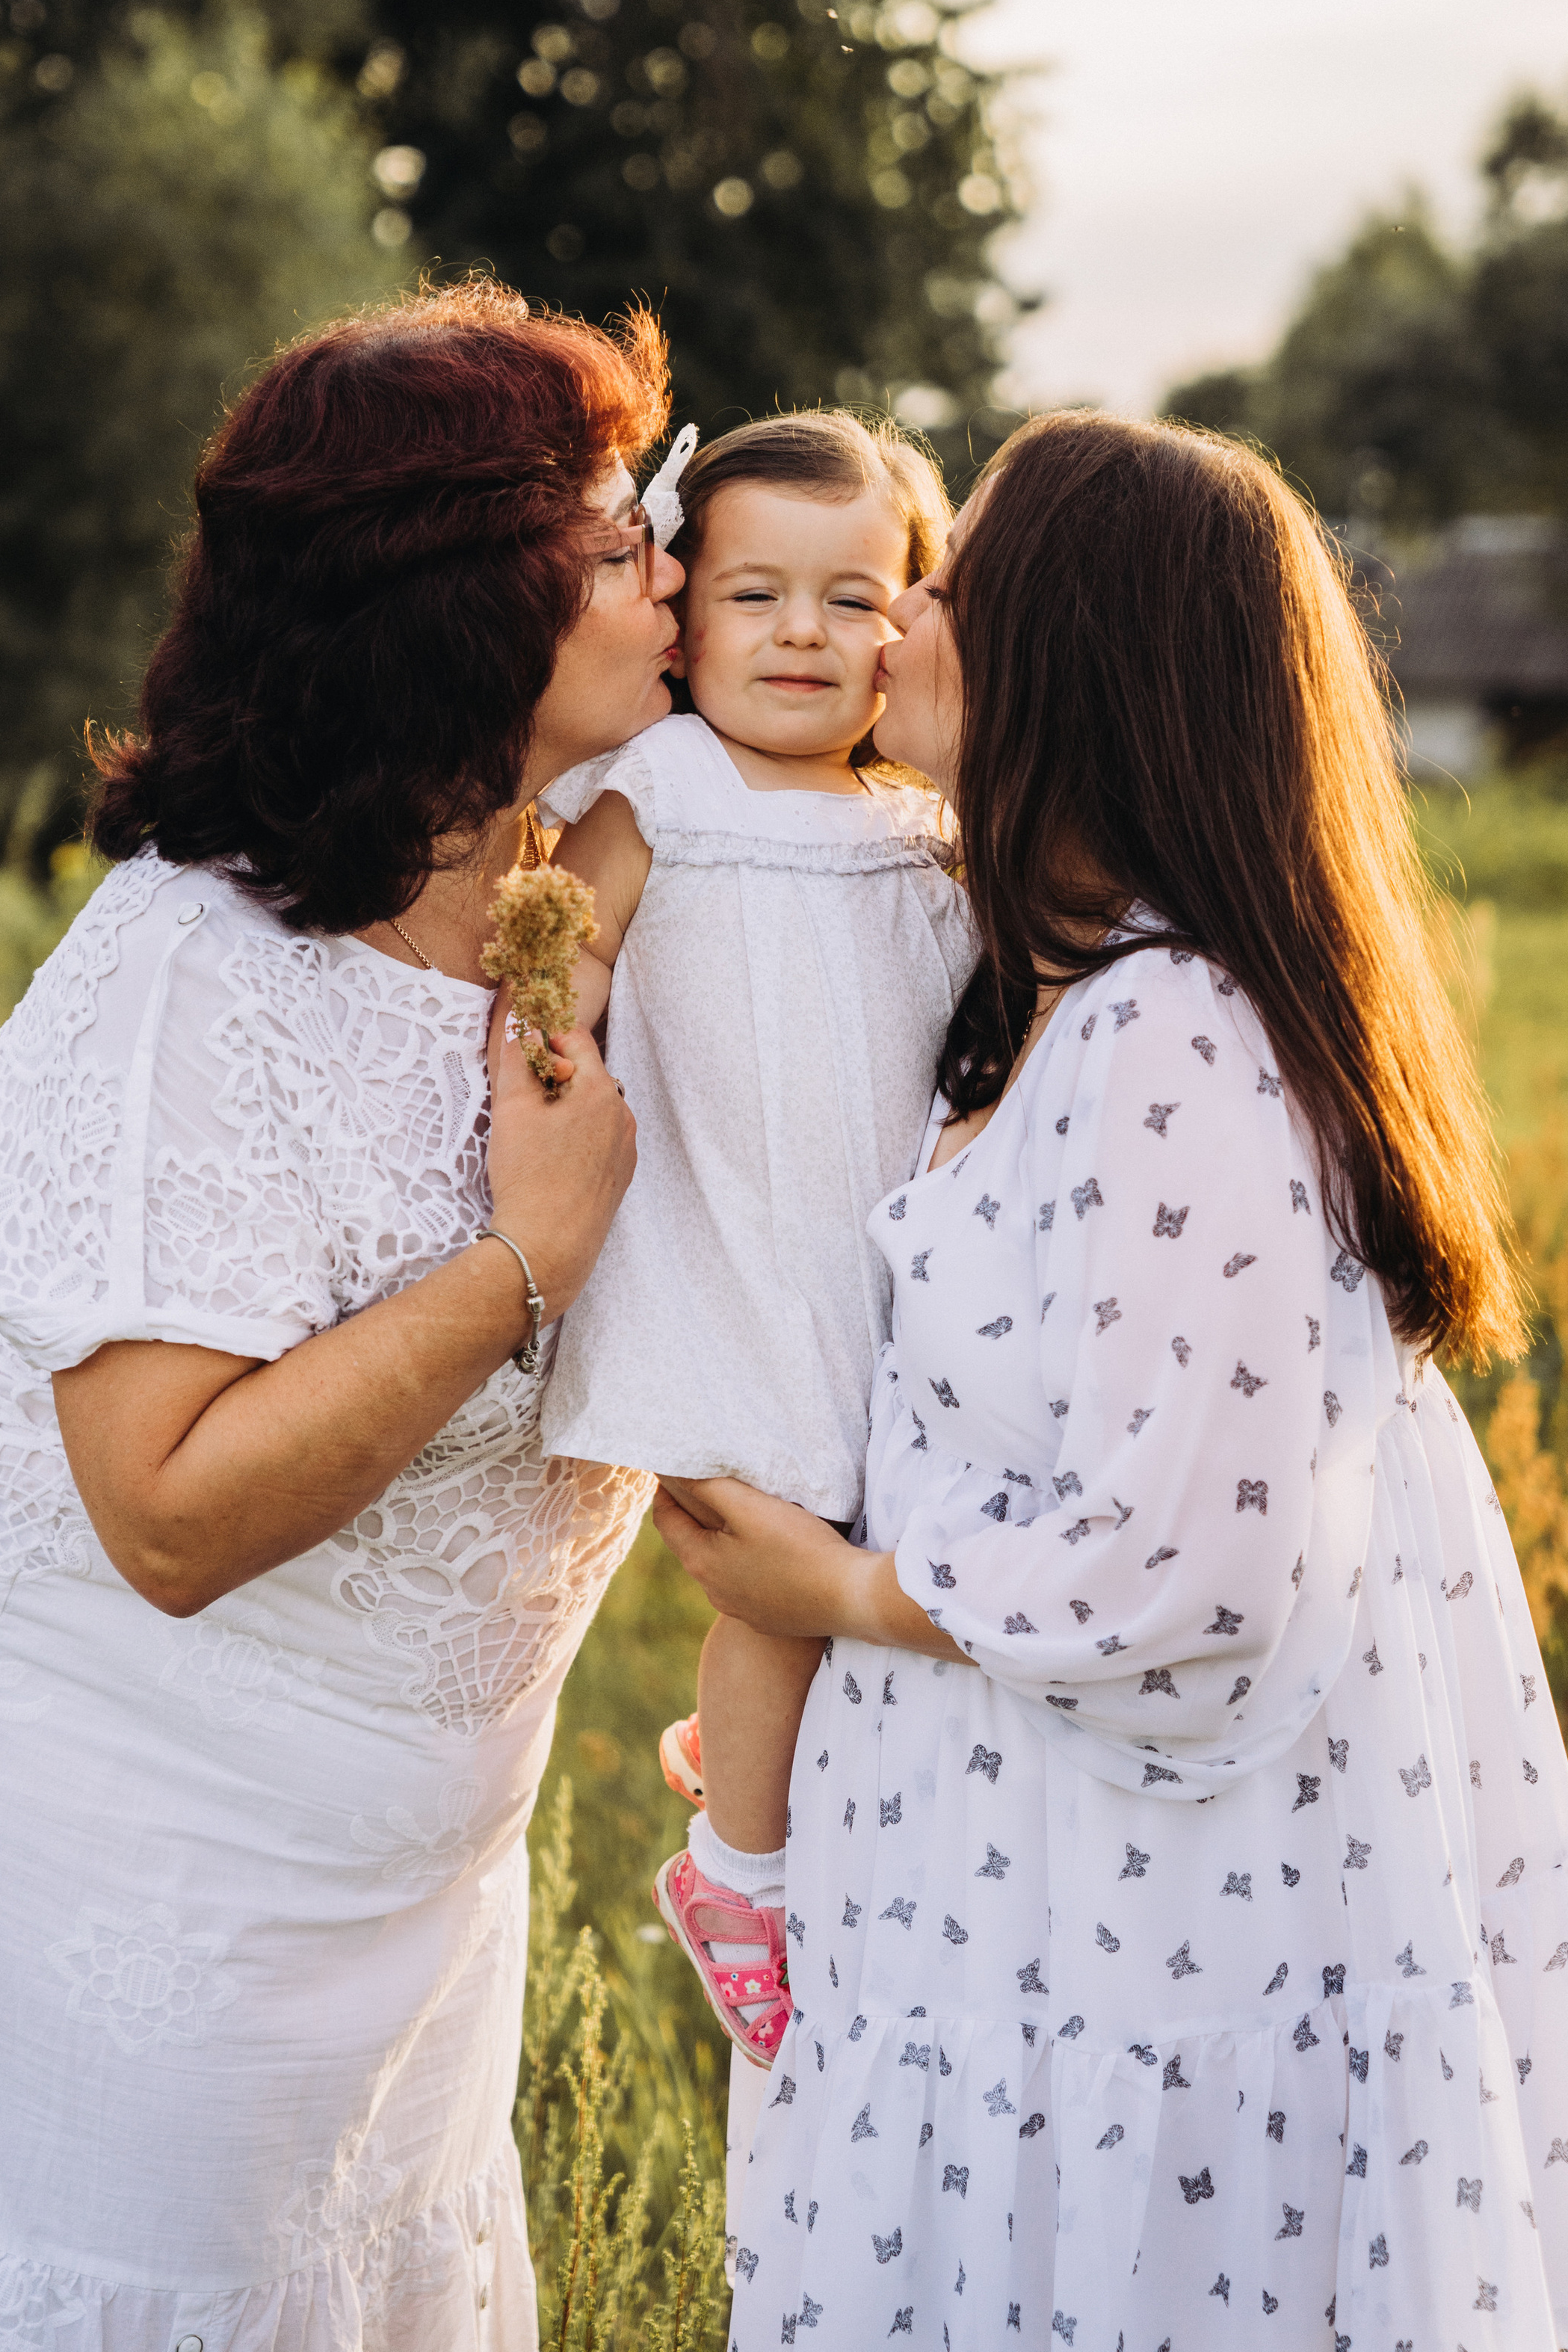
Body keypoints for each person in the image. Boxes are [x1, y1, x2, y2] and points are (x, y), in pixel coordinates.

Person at [0, 280, 682, 2352]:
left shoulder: (604, 864)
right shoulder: (195, 967)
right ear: (464, 605)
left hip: (408, 1872)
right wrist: (520, 1265)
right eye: (621, 542)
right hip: (117, 1841)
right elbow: (162, 1510)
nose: (671, 573)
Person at [655, 413, 1568, 2352]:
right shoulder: (1047, 985)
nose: (899, 620)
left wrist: (839, 1595)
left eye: (951, 585)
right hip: (1015, 1913)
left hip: (1134, 1942)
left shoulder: (1176, 1033)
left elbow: (1197, 1573)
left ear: (1068, 661)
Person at [543, 414, 975, 2066]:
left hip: (882, 1252)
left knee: (861, 1528)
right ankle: (738, 1870)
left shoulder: (924, 819)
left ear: (910, 622)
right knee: (782, 1543)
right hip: (731, 1230)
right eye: (753, 595)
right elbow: (567, 959)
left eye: (852, 599)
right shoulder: (664, 787)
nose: (804, 633)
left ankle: (757, 1768)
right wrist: (550, 1052)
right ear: (683, 618)